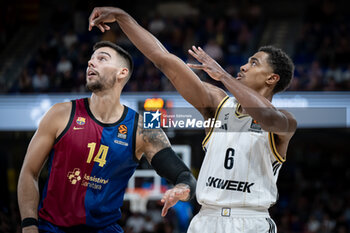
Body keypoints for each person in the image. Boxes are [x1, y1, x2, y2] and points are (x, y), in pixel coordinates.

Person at [88, 7, 297, 233]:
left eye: (254, 63)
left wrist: (224, 77)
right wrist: (123, 17)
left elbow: (264, 115)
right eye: (247, 61)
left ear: (272, 78)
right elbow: (164, 60)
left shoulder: (285, 121)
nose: (244, 66)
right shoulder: (217, 104)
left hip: (251, 220)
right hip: (206, 219)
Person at [17, 41, 196, 233]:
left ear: (122, 73)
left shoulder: (143, 129)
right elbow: (29, 172)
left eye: (102, 58)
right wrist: (29, 226)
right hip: (52, 228)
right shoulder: (60, 113)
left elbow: (185, 178)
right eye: (91, 59)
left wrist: (181, 190)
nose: (91, 63)